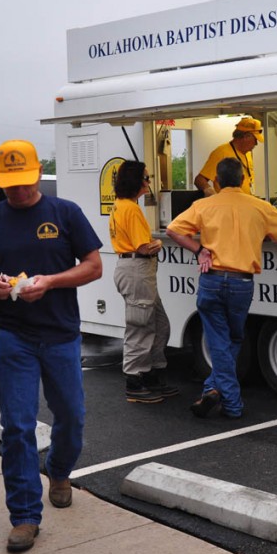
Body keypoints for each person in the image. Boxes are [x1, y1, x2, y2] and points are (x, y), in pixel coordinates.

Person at [0, 139, 103, 553]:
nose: (17, 192)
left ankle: (59, 470)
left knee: (72, 417)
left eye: (23, 183)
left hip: (60, 334)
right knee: (18, 426)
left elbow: (93, 266)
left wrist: (51, 281)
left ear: (39, 173)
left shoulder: (65, 214)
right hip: (13, 337)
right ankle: (24, 516)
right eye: (9, 185)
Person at [166, 158, 277, 419]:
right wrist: (263, 232)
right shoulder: (260, 207)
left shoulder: (204, 205)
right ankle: (233, 404)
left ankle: (212, 390)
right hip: (241, 282)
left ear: (217, 181)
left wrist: (200, 249)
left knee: (221, 342)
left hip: (211, 280)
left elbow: (173, 230)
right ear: (243, 180)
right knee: (232, 339)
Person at [109, 160, 178, 404]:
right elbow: (143, 246)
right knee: (141, 327)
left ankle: (152, 374)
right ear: (136, 181)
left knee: (159, 324)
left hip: (133, 269)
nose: (149, 182)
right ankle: (134, 381)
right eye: (146, 178)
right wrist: (158, 244)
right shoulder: (131, 209)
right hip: (137, 268)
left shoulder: (121, 205)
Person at [194, 116, 263, 196]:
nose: (256, 143)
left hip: (246, 203)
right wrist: (212, 195)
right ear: (246, 137)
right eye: (255, 139)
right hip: (227, 205)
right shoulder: (221, 153)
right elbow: (199, 180)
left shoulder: (248, 153)